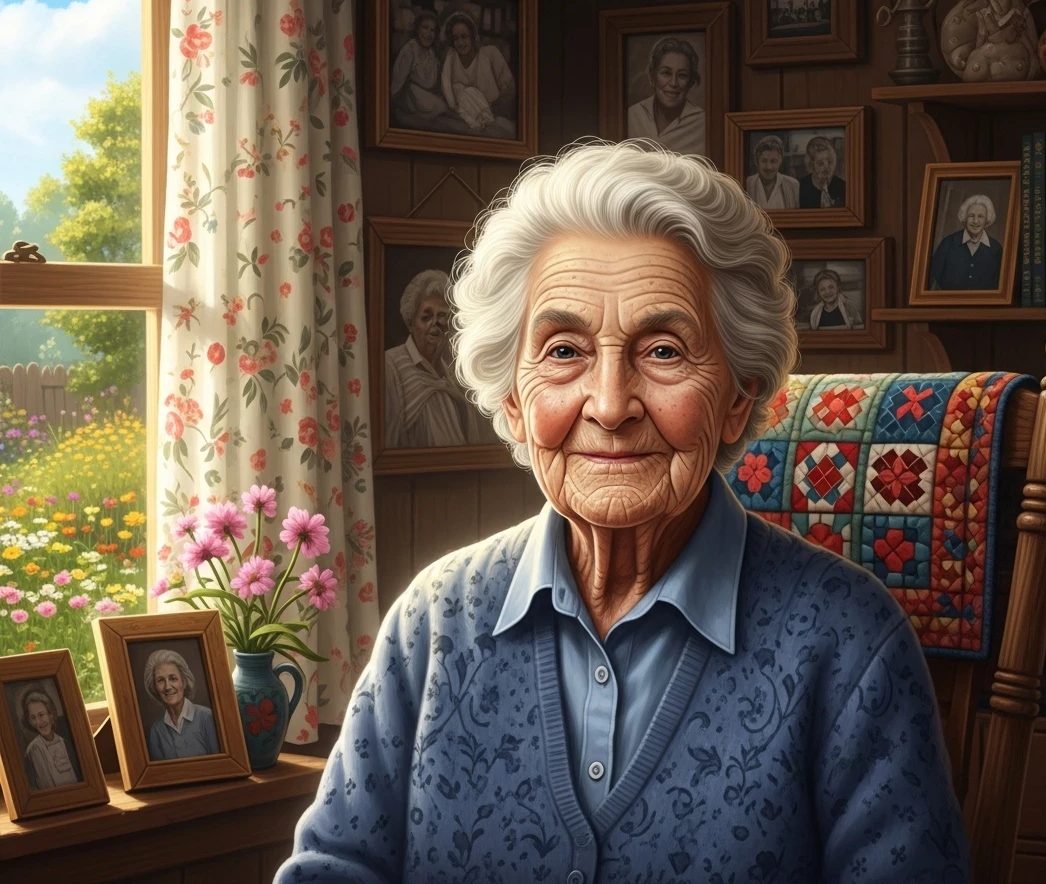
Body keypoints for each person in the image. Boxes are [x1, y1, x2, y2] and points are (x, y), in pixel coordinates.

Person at [280, 141, 970, 882]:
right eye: (564, 350)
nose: (610, 405)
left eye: (664, 351)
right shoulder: (435, 620)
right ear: (512, 401)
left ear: (738, 398)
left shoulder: (850, 641)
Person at [384, 269, 493, 448]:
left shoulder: (452, 372)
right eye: (426, 317)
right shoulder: (391, 365)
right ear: (411, 322)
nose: (435, 323)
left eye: (442, 316)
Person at [626, 37, 706, 156]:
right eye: (666, 73)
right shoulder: (632, 116)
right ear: (652, 77)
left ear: (690, 82)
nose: (673, 83)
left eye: (682, 75)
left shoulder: (703, 124)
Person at [440, 11, 517, 133]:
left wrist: (492, 113)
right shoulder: (451, 60)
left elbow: (509, 89)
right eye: (456, 38)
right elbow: (449, 94)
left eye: (464, 37)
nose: (460, 43)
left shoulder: (490, 53)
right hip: (466, 120)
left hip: (496, 116)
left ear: (472, 36)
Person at [143, 649, 221, 761]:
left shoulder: (207, 718)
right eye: (160, 680)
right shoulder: (157, 730)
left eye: (173, 679)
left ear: (183, 682)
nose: (167, 686)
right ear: (154, 687)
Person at [930, 193, 1004, 290]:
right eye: (971, 216)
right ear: (964, 217)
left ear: (987, 219)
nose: (975, 221)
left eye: (980, 216)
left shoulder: (996, 248)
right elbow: (933, 279)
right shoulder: (948, 243)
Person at [390, 11, 449, 125]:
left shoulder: (432, 53)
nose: (428, 33)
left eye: (432, 30)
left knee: (443, 108)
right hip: (410, 100)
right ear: (417, 29)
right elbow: (396, 86)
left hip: (427, 99)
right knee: (439, 109)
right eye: (425, 27)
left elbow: (435, 83)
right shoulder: (409, 50)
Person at [19, 687, 82, 790]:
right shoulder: (33, 750)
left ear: (51, 715)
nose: (38, 722)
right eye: (33, 718)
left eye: (41, 715)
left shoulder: (66, 743)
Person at [743, 134, 799, 210]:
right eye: (764, 161)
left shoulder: (793, 185)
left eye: (773, 161)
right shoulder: (747, 183)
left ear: (780, 161)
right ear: (756, 162)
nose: (769, 167)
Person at [797, 135, 846, 209]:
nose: (827, 167)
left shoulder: (842, 186)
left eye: (829, 162)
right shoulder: (800, 187)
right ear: (811, 165)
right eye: (820, 163)